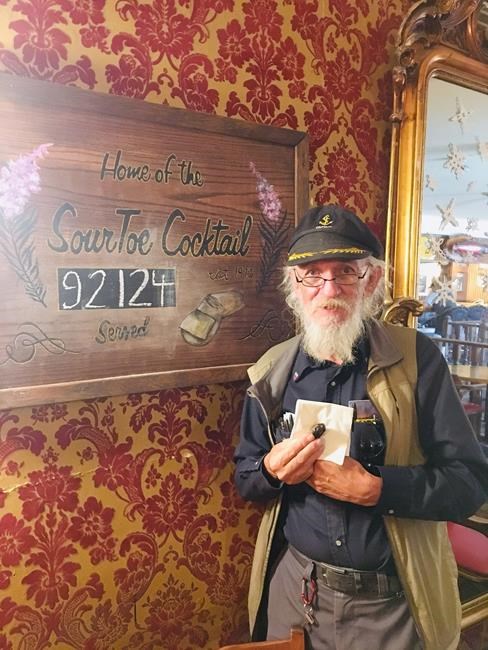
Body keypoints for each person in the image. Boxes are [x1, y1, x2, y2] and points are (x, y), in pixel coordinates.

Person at [234, 205, 488, 650]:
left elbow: (469, 484)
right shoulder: (271, 371)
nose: (329, 289)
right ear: (294, 285)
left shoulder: (418, 360)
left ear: (371, 280)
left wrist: (378, 489)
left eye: (345, 273)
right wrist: (272, 471)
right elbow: (246, 478)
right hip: (297, 594)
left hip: (393, 607)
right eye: (312, 275)